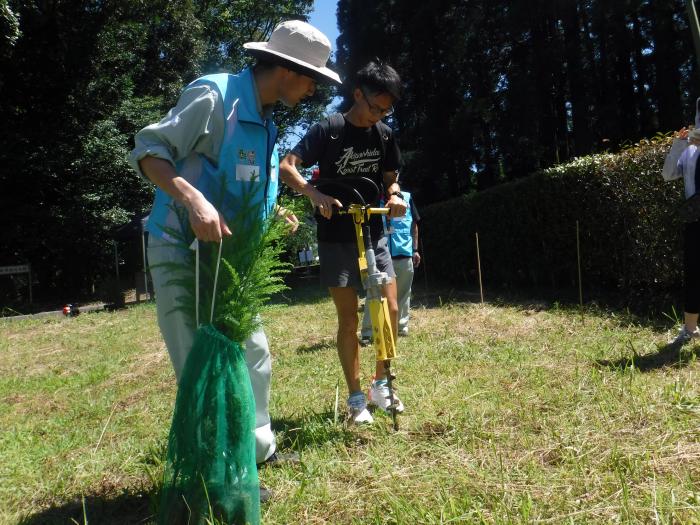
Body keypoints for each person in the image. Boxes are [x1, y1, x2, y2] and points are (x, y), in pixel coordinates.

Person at [128, 20, 341, 473]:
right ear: (287, 70)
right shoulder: (215, 97)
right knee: (203, 366)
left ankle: (258, 450)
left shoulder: (266, 122)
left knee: (254, 353)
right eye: (311, 80)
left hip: (232, 261)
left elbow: (245, 186)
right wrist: (192, 197)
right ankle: (218, 473)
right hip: (182, 253)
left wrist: (271, 214)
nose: (311, 91)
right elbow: (149, 149)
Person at [279, 60, 407, 424]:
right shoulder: (329, 130)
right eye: (374, 107)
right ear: (357, 94)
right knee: (348, 319)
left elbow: (389, 175)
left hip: (374, 232)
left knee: (390, 311)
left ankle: (380, 385)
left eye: (386, 110)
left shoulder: (384, 134)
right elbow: (287, 167)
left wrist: (394, 195)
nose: (378, 115)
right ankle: (355, 399)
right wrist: (313, 193)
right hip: (336, 237)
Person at [662, 97, 700, 346]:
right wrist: (679, 144)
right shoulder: (690, 149)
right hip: (695, 219)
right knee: (694, 272)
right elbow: (667, 175)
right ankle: (690, 329)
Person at [360, 190, 420, 343]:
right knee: (374, 293)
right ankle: (368, 331)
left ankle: (401, 327)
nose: (393, 174)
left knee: (404, 292)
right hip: (381, 254)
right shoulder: (374, 195)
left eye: (395, 172)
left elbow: (414, 223)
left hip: (404, 252)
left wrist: (415, 249)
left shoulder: (407, 197)